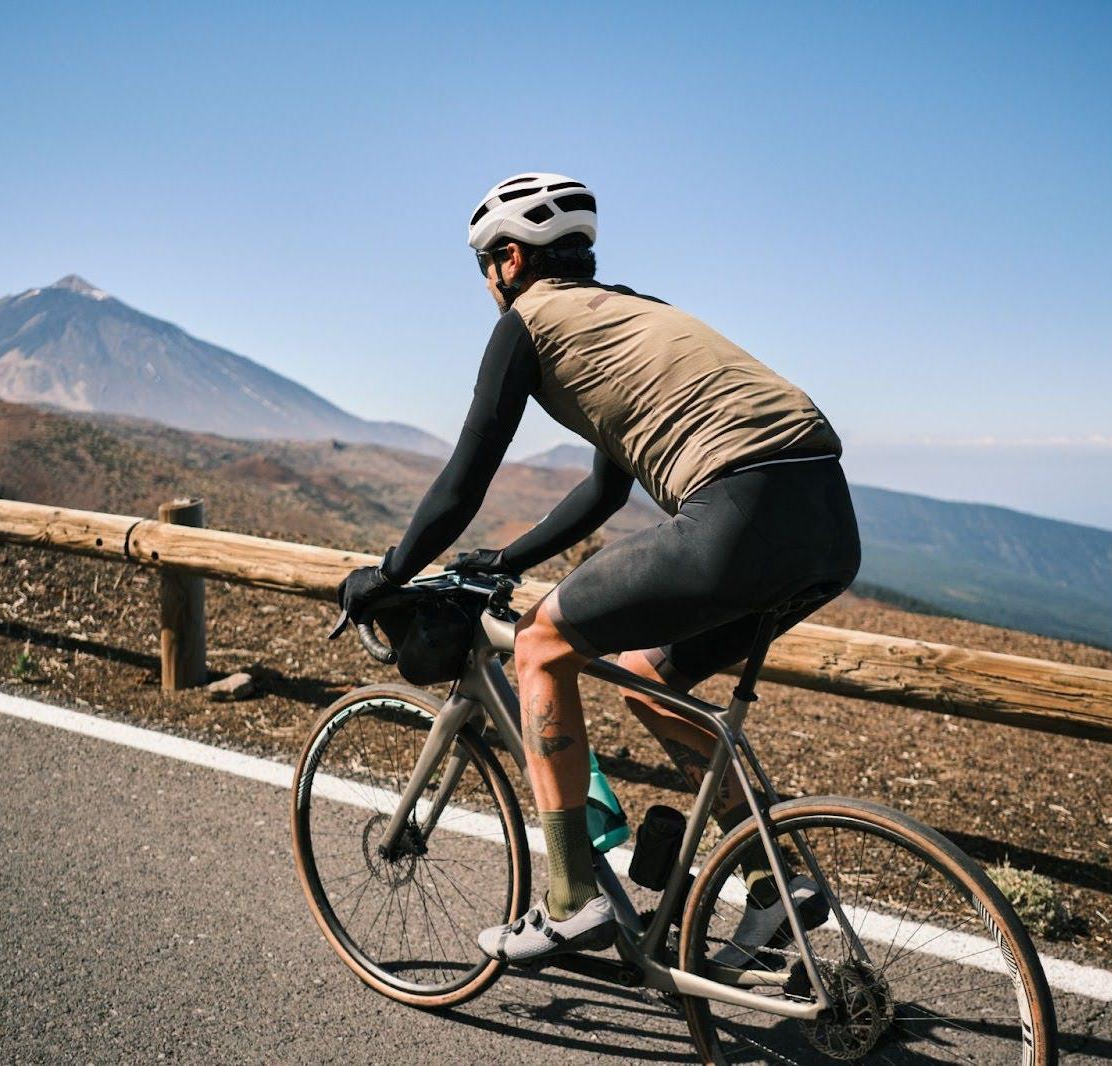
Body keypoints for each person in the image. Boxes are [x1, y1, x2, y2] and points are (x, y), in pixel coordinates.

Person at [335, 173, 861, 964]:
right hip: (827, 519)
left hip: (739, 506)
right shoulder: (628, 312)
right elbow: (604, 488)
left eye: (485, 266)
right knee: (649, 674)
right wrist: (506, 559)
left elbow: (464, 477)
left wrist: (389, 572)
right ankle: (772, 884)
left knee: (541, 648)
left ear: (509, 258)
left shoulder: (528, 323)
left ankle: (573, 901)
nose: (487, 284)